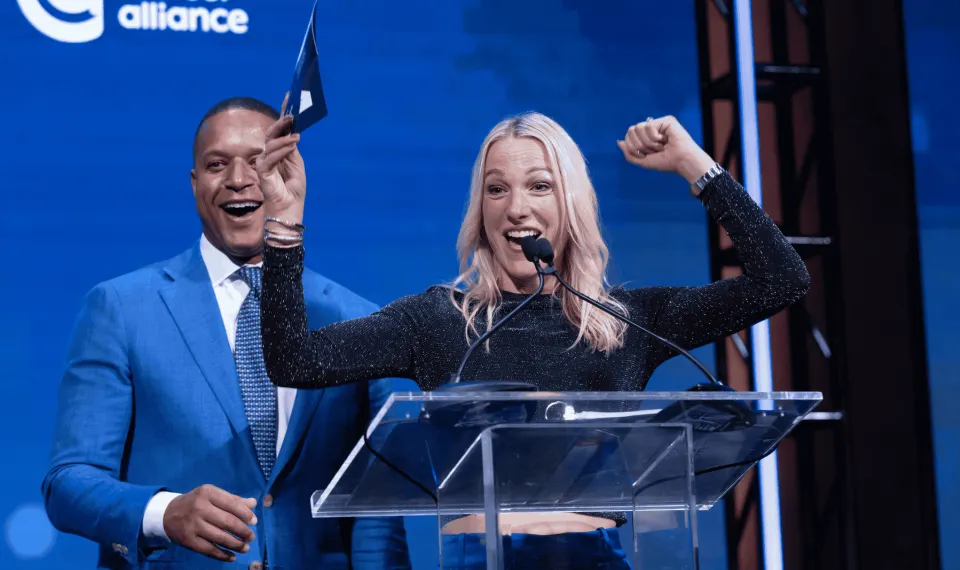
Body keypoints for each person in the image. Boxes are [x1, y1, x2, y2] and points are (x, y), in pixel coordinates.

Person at [255, 111, 811, 568]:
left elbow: (782, 280)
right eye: (497, 189)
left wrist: (695, 164)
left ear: (570, 202)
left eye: (539, 185)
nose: (516, 207)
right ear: (481, 208)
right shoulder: (438, 320)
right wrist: (283, 224)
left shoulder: (626, 321)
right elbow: (295, 360)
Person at [42, 96, 410, 570]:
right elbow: (69, 482)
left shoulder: (356, 319)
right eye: (217, 164)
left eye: (258, 161)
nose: (239, 179)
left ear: (288, 171)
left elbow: (376, 515)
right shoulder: (121, 308)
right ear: (195, 184)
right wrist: (164, 512)